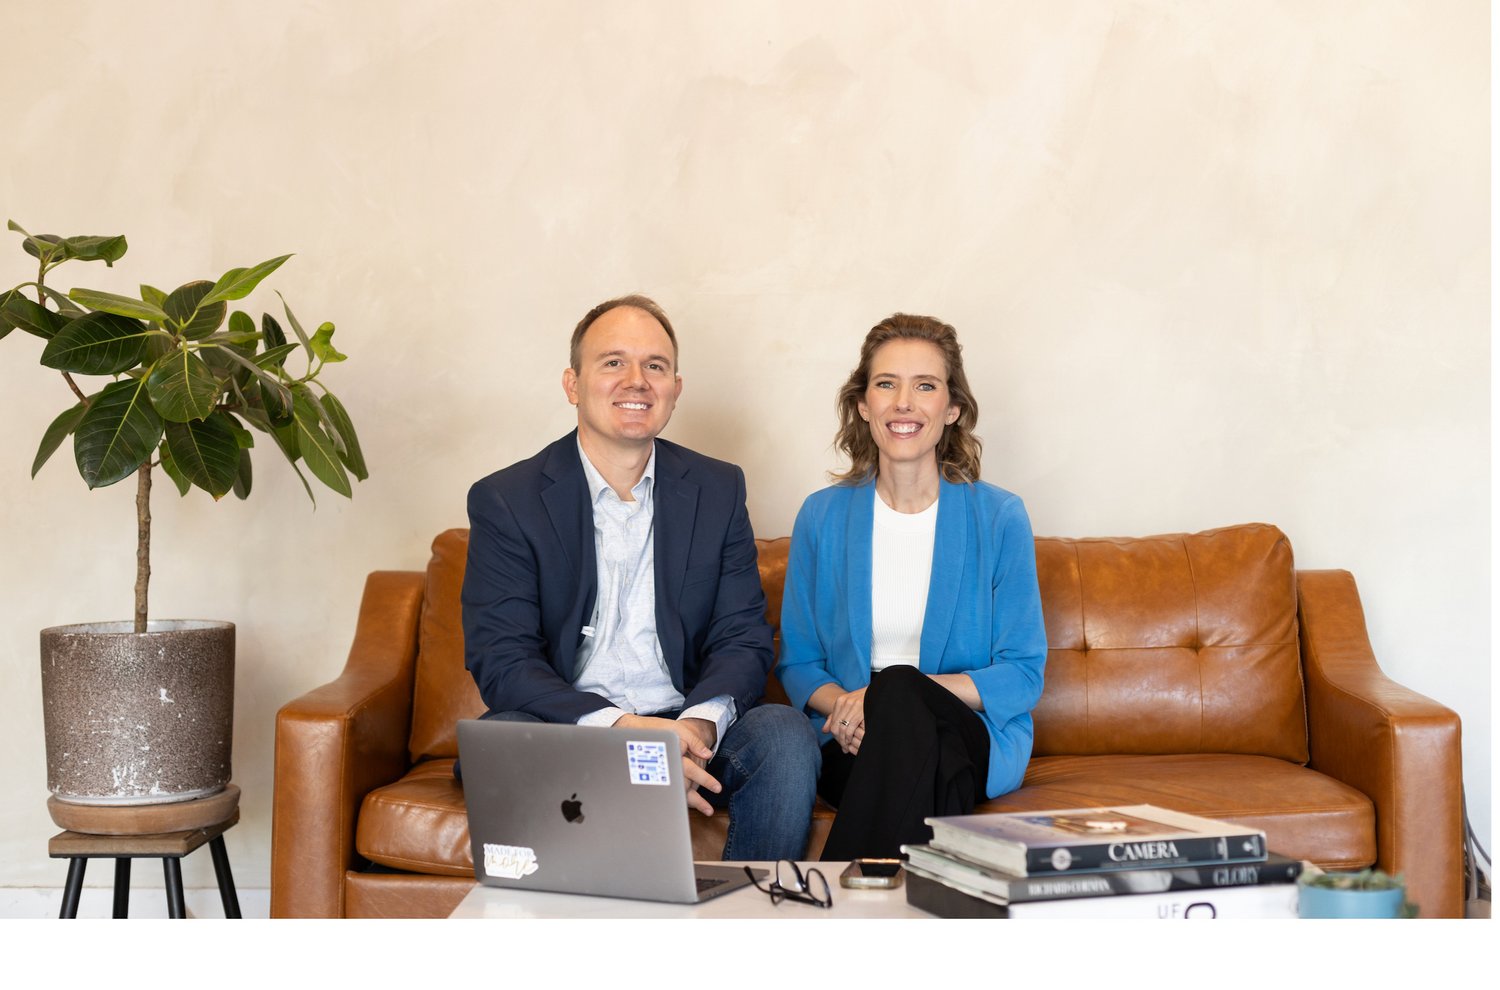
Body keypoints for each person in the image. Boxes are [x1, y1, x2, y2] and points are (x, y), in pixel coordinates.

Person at [459, 294, 819, 861]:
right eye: (613, 362)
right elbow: (501, 658)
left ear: (675, 388)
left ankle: (750, 911)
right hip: (573, 727)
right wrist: (626, 734)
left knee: (784, 734)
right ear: (572, 384)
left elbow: (742, 637)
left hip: (687, 725)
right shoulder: (508, 499)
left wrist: (696, 729)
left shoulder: (718, 488)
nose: (637, 381)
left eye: (655, 365)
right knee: (503, 735)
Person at [776, 313, 1048, 861]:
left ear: (952, 409)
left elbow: (1022, 675)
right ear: (863, 405)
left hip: (966, 726)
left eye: (925, 386)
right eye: (886, 384)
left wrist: (889, 695)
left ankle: (832, 896)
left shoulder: (999, 517)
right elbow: (800, 664)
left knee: (901, 689)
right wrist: (853, 709)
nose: (904, 403)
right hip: (852, 735)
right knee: (925, 754)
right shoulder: (821, 517)